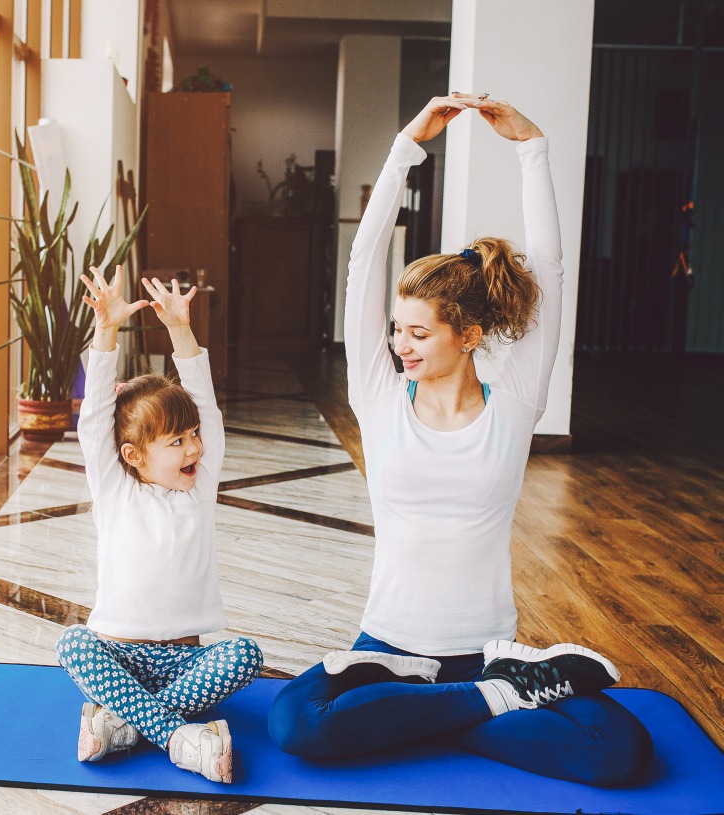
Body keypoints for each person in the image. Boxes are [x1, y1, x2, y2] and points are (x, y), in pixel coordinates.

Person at [266, 94, 653, 785]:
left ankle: (439, 705)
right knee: (295, 721)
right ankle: (495, 701)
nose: (399, 345)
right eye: (396, 330)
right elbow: (362, 264)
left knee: (619, 749)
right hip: (383, 649)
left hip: (483, 649)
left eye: (419, 333)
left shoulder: (516, 403)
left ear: (468, 337)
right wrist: (405, 148)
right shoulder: (380, 400)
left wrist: (532, 148)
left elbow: (553, 276)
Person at [54, 267, 263, 785]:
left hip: (182, 663)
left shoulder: (200, 487)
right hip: (116, 654)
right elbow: (94, 417)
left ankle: (126, 724)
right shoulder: (115, 488)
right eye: (176, 442)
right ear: (133, 456)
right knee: (71, 644)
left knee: (245, 655)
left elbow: (206, 405)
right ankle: (177, 736)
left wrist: (180, 330)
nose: (193, 447)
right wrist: (106, 331)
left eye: (193, 436)